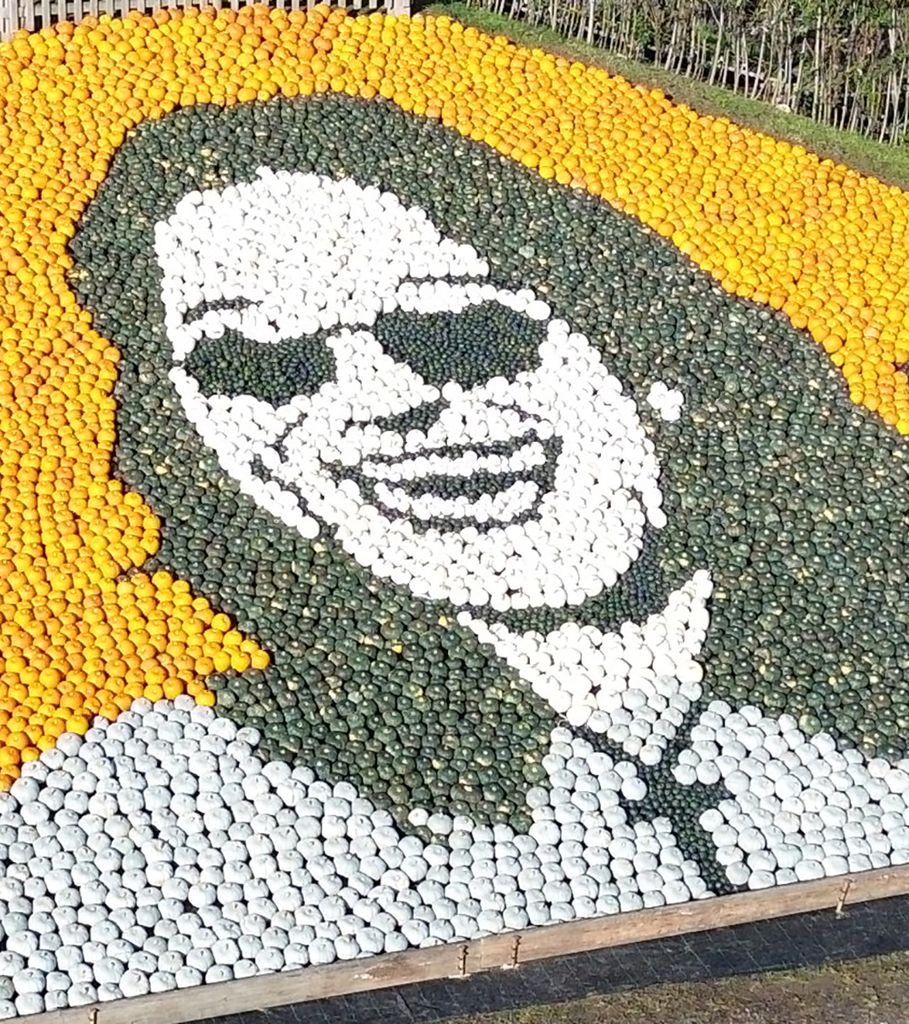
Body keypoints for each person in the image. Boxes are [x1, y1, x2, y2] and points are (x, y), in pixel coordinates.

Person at [69, 93, 909, 900]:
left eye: (445, 334)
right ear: (233, 457)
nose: (385, 398)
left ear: (631, 352)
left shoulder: (870, 626)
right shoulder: (223, 778)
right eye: (265, 370)